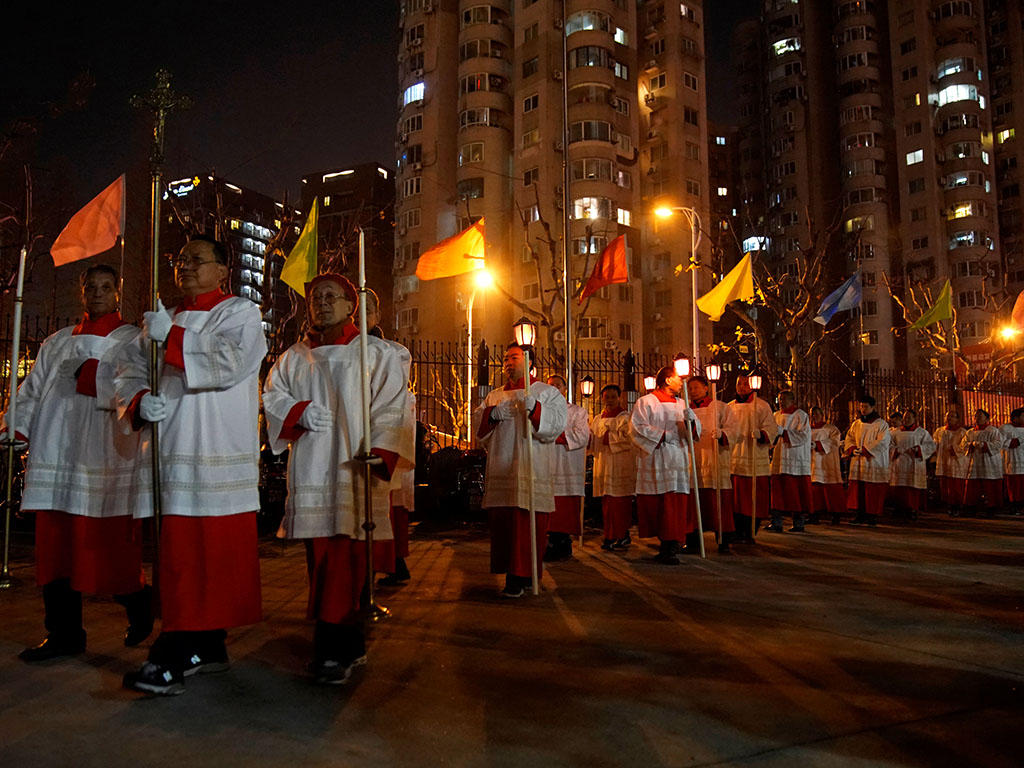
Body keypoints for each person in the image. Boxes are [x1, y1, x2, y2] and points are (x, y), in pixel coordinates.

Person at [117, 234, 267, 695]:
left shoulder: (239, 312)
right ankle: (207, 646)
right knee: (179, 557)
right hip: (171, 449)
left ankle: (173, 655)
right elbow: (127, 370)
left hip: (215, 451)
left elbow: (232, 362)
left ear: (224, 270)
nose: (185, 266)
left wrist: (173, 339)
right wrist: (140, 400)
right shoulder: (161, 320)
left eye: (196, 260)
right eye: (181, 259)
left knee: (206, 558)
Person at [263, 274, 413, 684]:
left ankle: (334, 644)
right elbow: (272, 396)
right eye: (316, 298)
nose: (322, 304)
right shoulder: (294, 357)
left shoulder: (375, 352)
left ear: (352, 305)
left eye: (332, 297)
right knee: (322, 559)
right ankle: (346, 643)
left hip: (356, 468)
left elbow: (392, 406)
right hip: (313, 467)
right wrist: (296, 412)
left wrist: (380, 451)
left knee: (349, 558)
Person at [3, 265, 151, 662]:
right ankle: (64, 633)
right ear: (80, 293)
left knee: (108, 548)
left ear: (118, 293)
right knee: (56, 552)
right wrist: (16, 425)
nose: (98, 293)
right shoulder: (56, 342)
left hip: (104, 454)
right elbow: (31, 391)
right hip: (57, 452)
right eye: (91, 287)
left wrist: (93, 376)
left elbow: (135, 387)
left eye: (107, 287)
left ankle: (141, 603)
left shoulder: (134, 340)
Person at [473, 344, 567, 598]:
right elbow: (478, 429)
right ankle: (511, 572)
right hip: (502, 465)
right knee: (505, 523)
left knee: (527, 521)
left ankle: (521, 575)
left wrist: (536, 410)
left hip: (531, 464)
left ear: (528, 361)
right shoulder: (494, 395)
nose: (508, 362)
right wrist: (492, 414)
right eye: (505, 358)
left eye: (513, 357)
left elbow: (556, 426)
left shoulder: (546, 392)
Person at [358, 287, 415, 588]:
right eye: (353, 310)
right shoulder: (329, 350)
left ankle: (387, 564)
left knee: (382, 508)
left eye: (366, 311)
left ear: (377, 316)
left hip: (379, 439)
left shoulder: (395, 352)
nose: (358, 317)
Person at [630, 366, 701, 565]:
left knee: (674, 503)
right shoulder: (646, 402)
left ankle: (672, 543)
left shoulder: (682, 404)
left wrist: (691, 422)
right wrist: (665, 435)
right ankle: (665, 542)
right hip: (656, 457)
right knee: (659, 504)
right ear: (668, 380)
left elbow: (695, 432)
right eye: (679, 378)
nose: (682, 382)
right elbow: (637, 428)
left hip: (677, 458)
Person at [687, 374, 737, 553]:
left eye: (696, 387)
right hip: (693, 461)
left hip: (715, 458)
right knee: (694, 503)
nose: (693, 391)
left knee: (719, 503)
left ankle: (723, 541)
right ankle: (692, 540)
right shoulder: (685, 409)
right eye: (690, 388)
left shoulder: (720, 407)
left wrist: (723, 434)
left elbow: (734, 429)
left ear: (706, 388)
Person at [544, 374, 590, 561]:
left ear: (564, 388)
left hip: (567, 464)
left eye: (558, 384)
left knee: (564, 507)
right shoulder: (543, 410)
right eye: (551, 385)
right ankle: (552, 542)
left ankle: (562, 542)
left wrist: (554, 435)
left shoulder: (577, 411)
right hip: (547, 463)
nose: (554, 387)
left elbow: (582, 436)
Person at [726, 375, 777, 542]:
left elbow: (771, 428)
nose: (741, 387)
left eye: (745, 384)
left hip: (754, 457)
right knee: (735, 500)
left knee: (752, 499)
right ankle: (735, 531)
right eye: (739, 384)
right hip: (733, 459)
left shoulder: (761, 406)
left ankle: (750, 532)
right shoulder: (729, 407)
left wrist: (762, 435)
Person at [590, 384, 636, 551]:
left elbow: (630, 439)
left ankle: (622, 534)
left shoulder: (625, 418)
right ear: (602, 398)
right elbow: (592, 440)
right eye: (606, 396)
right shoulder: (597, 419)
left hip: (620, 463)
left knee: (620, 502)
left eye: (612, 396)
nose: (609, 400)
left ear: (619, 398)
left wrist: (608, 437)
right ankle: (609, 534)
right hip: (603, 463)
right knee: (607, 501)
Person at [768, 390, 813, 532]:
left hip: (795, 460)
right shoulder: (775, 416)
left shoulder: (801, 415)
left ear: (792, 400)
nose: (781, 401)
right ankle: (776, 522)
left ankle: (799, 523)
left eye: (784, 399)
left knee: (796, 493)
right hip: (779, 457)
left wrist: (784, 432)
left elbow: (803, 436)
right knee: (777, 493)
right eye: (780, 399)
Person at [843, 394, 891, 527]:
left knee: (872, 489)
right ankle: (859, 514)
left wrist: (865, 450)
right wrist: (852, 449)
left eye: (865, 407)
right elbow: (849, 438)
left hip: (873, 461)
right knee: (859, 488)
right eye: (861, 407)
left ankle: (872, 516)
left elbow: (883, 442)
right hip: (858, 461)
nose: (862, 409)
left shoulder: (881, 424)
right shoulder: (856, 424)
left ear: (872, 407)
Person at [888, 408, 935, 521]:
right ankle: (899, 508)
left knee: (912, 486)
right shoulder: (895, 432)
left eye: (909, 417)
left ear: (914, 419)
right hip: (899, 463)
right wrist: (895, 450)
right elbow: (888, 445)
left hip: (915, 462)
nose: (906, 420)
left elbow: (931, 446)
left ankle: (912, 508)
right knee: (899, 487)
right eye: (904, 418)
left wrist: (919, 449)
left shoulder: (921, 432)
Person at [960, 408, 1005, 517]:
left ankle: (991, 509)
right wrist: (971, 445)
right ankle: (971, 508)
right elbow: (963, 445)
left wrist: (984, 445)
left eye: (979, 416)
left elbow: (999, 444)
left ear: (987, 418)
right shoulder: (970, 432)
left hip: (989, 462)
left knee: (990, 486)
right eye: (975, 416)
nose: (976, 418)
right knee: (973, 486)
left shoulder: (993, 431)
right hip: (974, 462)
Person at [808, 407, 844, 525]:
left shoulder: (831, 429)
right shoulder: (807, 429)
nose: (814, 416)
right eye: (812, 414)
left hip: (827, 461)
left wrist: (818, 444)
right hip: (812, 462)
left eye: (817, 413)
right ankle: (814, 515)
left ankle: (836, 515)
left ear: (823, 415)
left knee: (831, 489)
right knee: (815, 489)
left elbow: (835, 442)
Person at [932, 410, 968, 512]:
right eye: (947, 416)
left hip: (956, 462)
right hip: (943, 460)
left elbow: (965, 446)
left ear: (957, 419)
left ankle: (957, 505)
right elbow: (934, 442)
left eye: (952, 416)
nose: (949, 418)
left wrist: (955, 449)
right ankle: (947, 504)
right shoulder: (940, 431)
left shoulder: (962, 432)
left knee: (956, 485)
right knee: (945, 484)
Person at [1001, 408, 1024, 515]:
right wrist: (1016, 441)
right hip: (1012, 461)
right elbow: (1000, 443)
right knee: (1014, 486)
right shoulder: (1005, 428)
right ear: (1015, 417)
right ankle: (1014, 505)